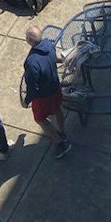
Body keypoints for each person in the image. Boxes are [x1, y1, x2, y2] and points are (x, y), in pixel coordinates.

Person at [22, 26, 71, 158]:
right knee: (57, 109)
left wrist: (26, 101)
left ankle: (59, 143)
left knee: (40, 119)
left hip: (43, 98)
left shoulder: (31, 63)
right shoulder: (49, 45)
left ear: (29, 41)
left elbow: (32, 88)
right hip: (55, 88)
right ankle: (62, 132)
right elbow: (54, 59)